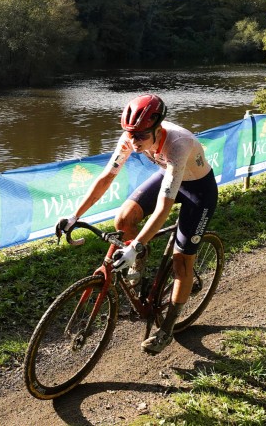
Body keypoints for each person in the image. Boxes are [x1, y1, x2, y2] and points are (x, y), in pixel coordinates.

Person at [55, 94, 218, 355]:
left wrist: (135, 246)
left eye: (141, 136)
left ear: (158, 129)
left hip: (199, 190)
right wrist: (75, 215)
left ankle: (166, 329)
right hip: (168, 176)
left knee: (181, 261)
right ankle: (140, 266)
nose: (134, 141)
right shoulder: (131, 138)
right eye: (130, 134)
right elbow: (107, 176)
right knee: (123, 219)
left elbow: (164, 209)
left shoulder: (179, 145)